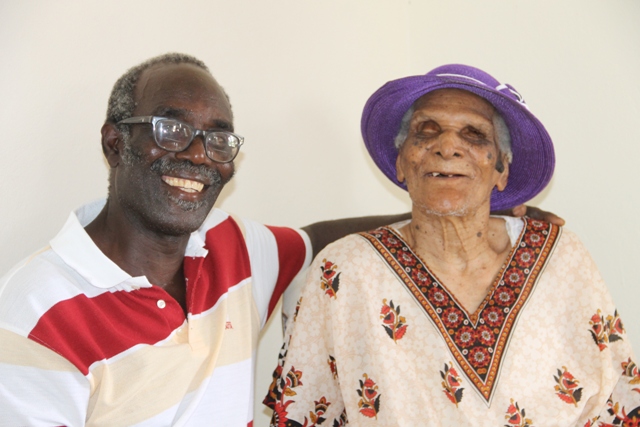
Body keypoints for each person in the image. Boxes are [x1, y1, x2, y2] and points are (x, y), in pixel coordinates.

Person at [0, 54, 558, 426]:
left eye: (218, 139)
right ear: (115, 143)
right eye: (171, 130)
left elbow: (318, 239)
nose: (198, 155)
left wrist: (479, 213)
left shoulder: (231, 248)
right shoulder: (31, 318)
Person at [264, 64, 639, 426]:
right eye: (426, 131)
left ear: (501, 170)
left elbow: (619, 405)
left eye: (474, 135)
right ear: (400, 162)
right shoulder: (342, 271)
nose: (447, 147)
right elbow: (302, 412)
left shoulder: (562, 256)